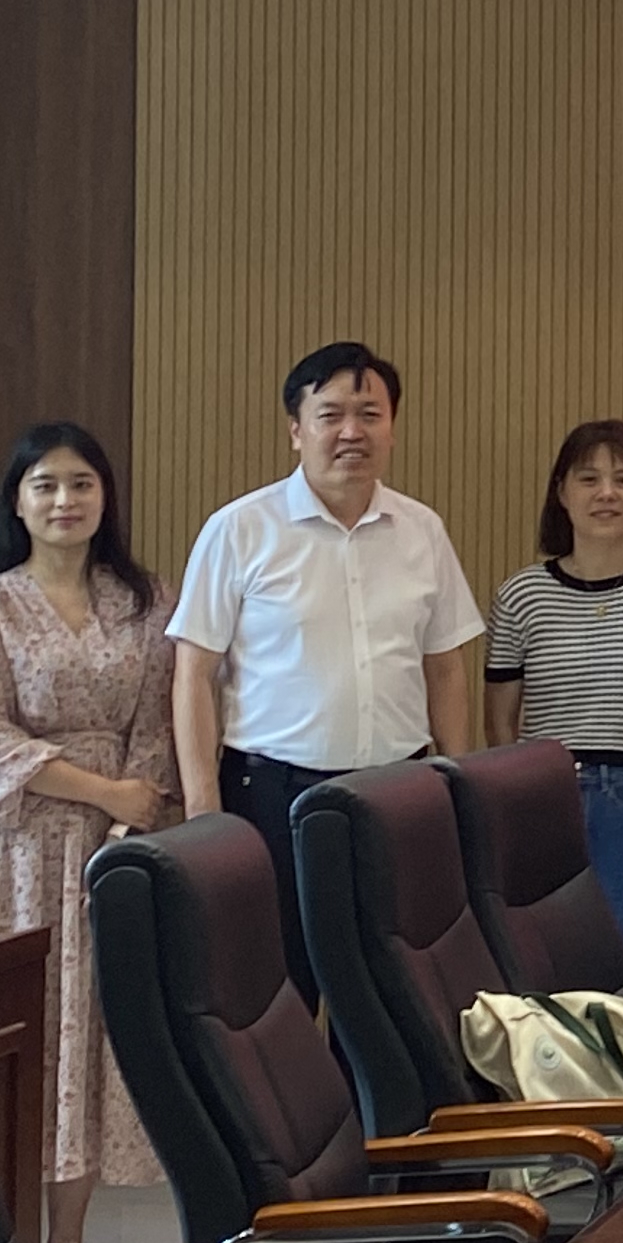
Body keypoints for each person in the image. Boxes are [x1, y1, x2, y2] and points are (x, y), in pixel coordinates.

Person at [170, 343, 485, 1004]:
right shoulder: (240, 530)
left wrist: (459, 783)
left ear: (392, 427)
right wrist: (203, 809)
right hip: (272, 794)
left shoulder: (422, 530)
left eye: (370, 414)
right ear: (296, 429)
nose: (351, 432)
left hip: (399, 792)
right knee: (278, 994)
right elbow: (194, 673)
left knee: (391, 993)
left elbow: (445, 668)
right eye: (331, 414)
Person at [0, 422, 176, 1243]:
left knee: (89, 1031)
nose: (65, 500)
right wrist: (105, 791)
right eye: (45, 485)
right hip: (11, 851)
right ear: (17, 501)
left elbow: (157, 731)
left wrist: (126, 821)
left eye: (81, 483)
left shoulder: (147, 602)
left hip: (112, 851)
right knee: (16, 1032)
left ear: (105, 496)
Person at [484, 420, 623, 997]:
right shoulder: (521, 594)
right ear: (562, 492)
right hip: (542, 802)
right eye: (588, 479)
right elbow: (500, 716)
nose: (606, 493)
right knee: (544, 982)